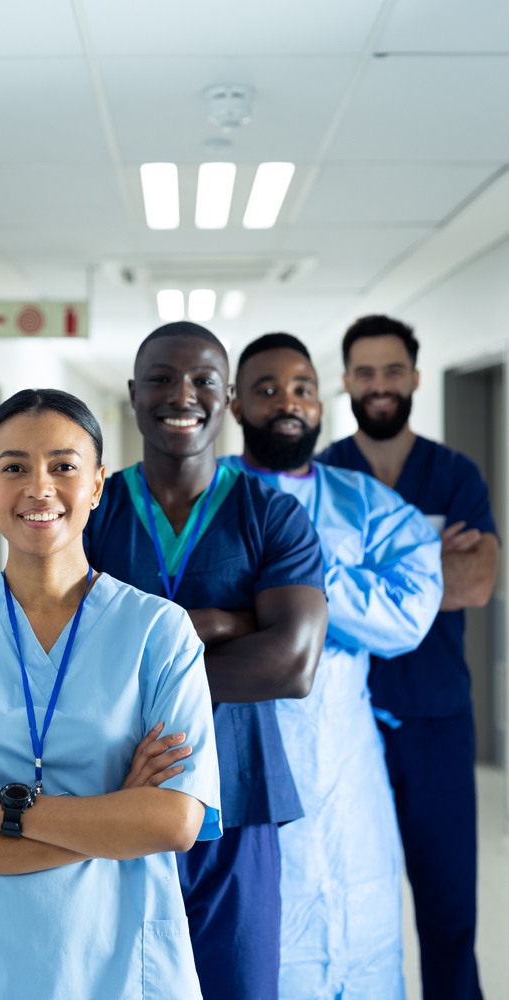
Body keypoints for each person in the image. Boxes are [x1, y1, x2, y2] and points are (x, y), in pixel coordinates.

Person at [0, 388, 222, 1000]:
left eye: (64, 466)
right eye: (14, 467)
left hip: (117, 961)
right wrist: (115, 815)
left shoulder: (159, 631)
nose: (40, 488)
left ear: (96, 486)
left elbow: (174, 822)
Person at [84, 321, 328, 1000]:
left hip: (239, 796)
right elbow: (61, 651)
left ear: (228, 402)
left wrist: (141, 656)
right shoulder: (93, 511)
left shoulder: (269, 515)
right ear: (133, 393)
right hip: (109, 793)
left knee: (240, 987)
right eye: (161, 378)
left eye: (202, 381)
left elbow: (291, 666)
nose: (180, 394)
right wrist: (225, 623)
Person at [222, 332, 443, 1000]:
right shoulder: (207, 501)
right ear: (233, 404)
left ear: (322, 404)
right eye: (264, 389)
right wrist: (334, 594)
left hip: (346, 763)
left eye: (301, 388)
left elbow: (407, 615)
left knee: (363, 935)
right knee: (256, 945)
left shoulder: (366, 504)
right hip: (241, 754)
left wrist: (288, 582)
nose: (285, 402)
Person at [319, 315, 499, 1000]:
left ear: (415, 377)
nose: (379, 385)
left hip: (436, 723)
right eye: (364, 373)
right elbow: (296, 592)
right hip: (344, 725)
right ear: (346, 383)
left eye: (392, 371)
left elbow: (478, 581)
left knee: (448, 914)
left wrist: (357, 580)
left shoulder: (453, 473)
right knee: (345, 908)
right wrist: (426, 565)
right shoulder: (328, 472)